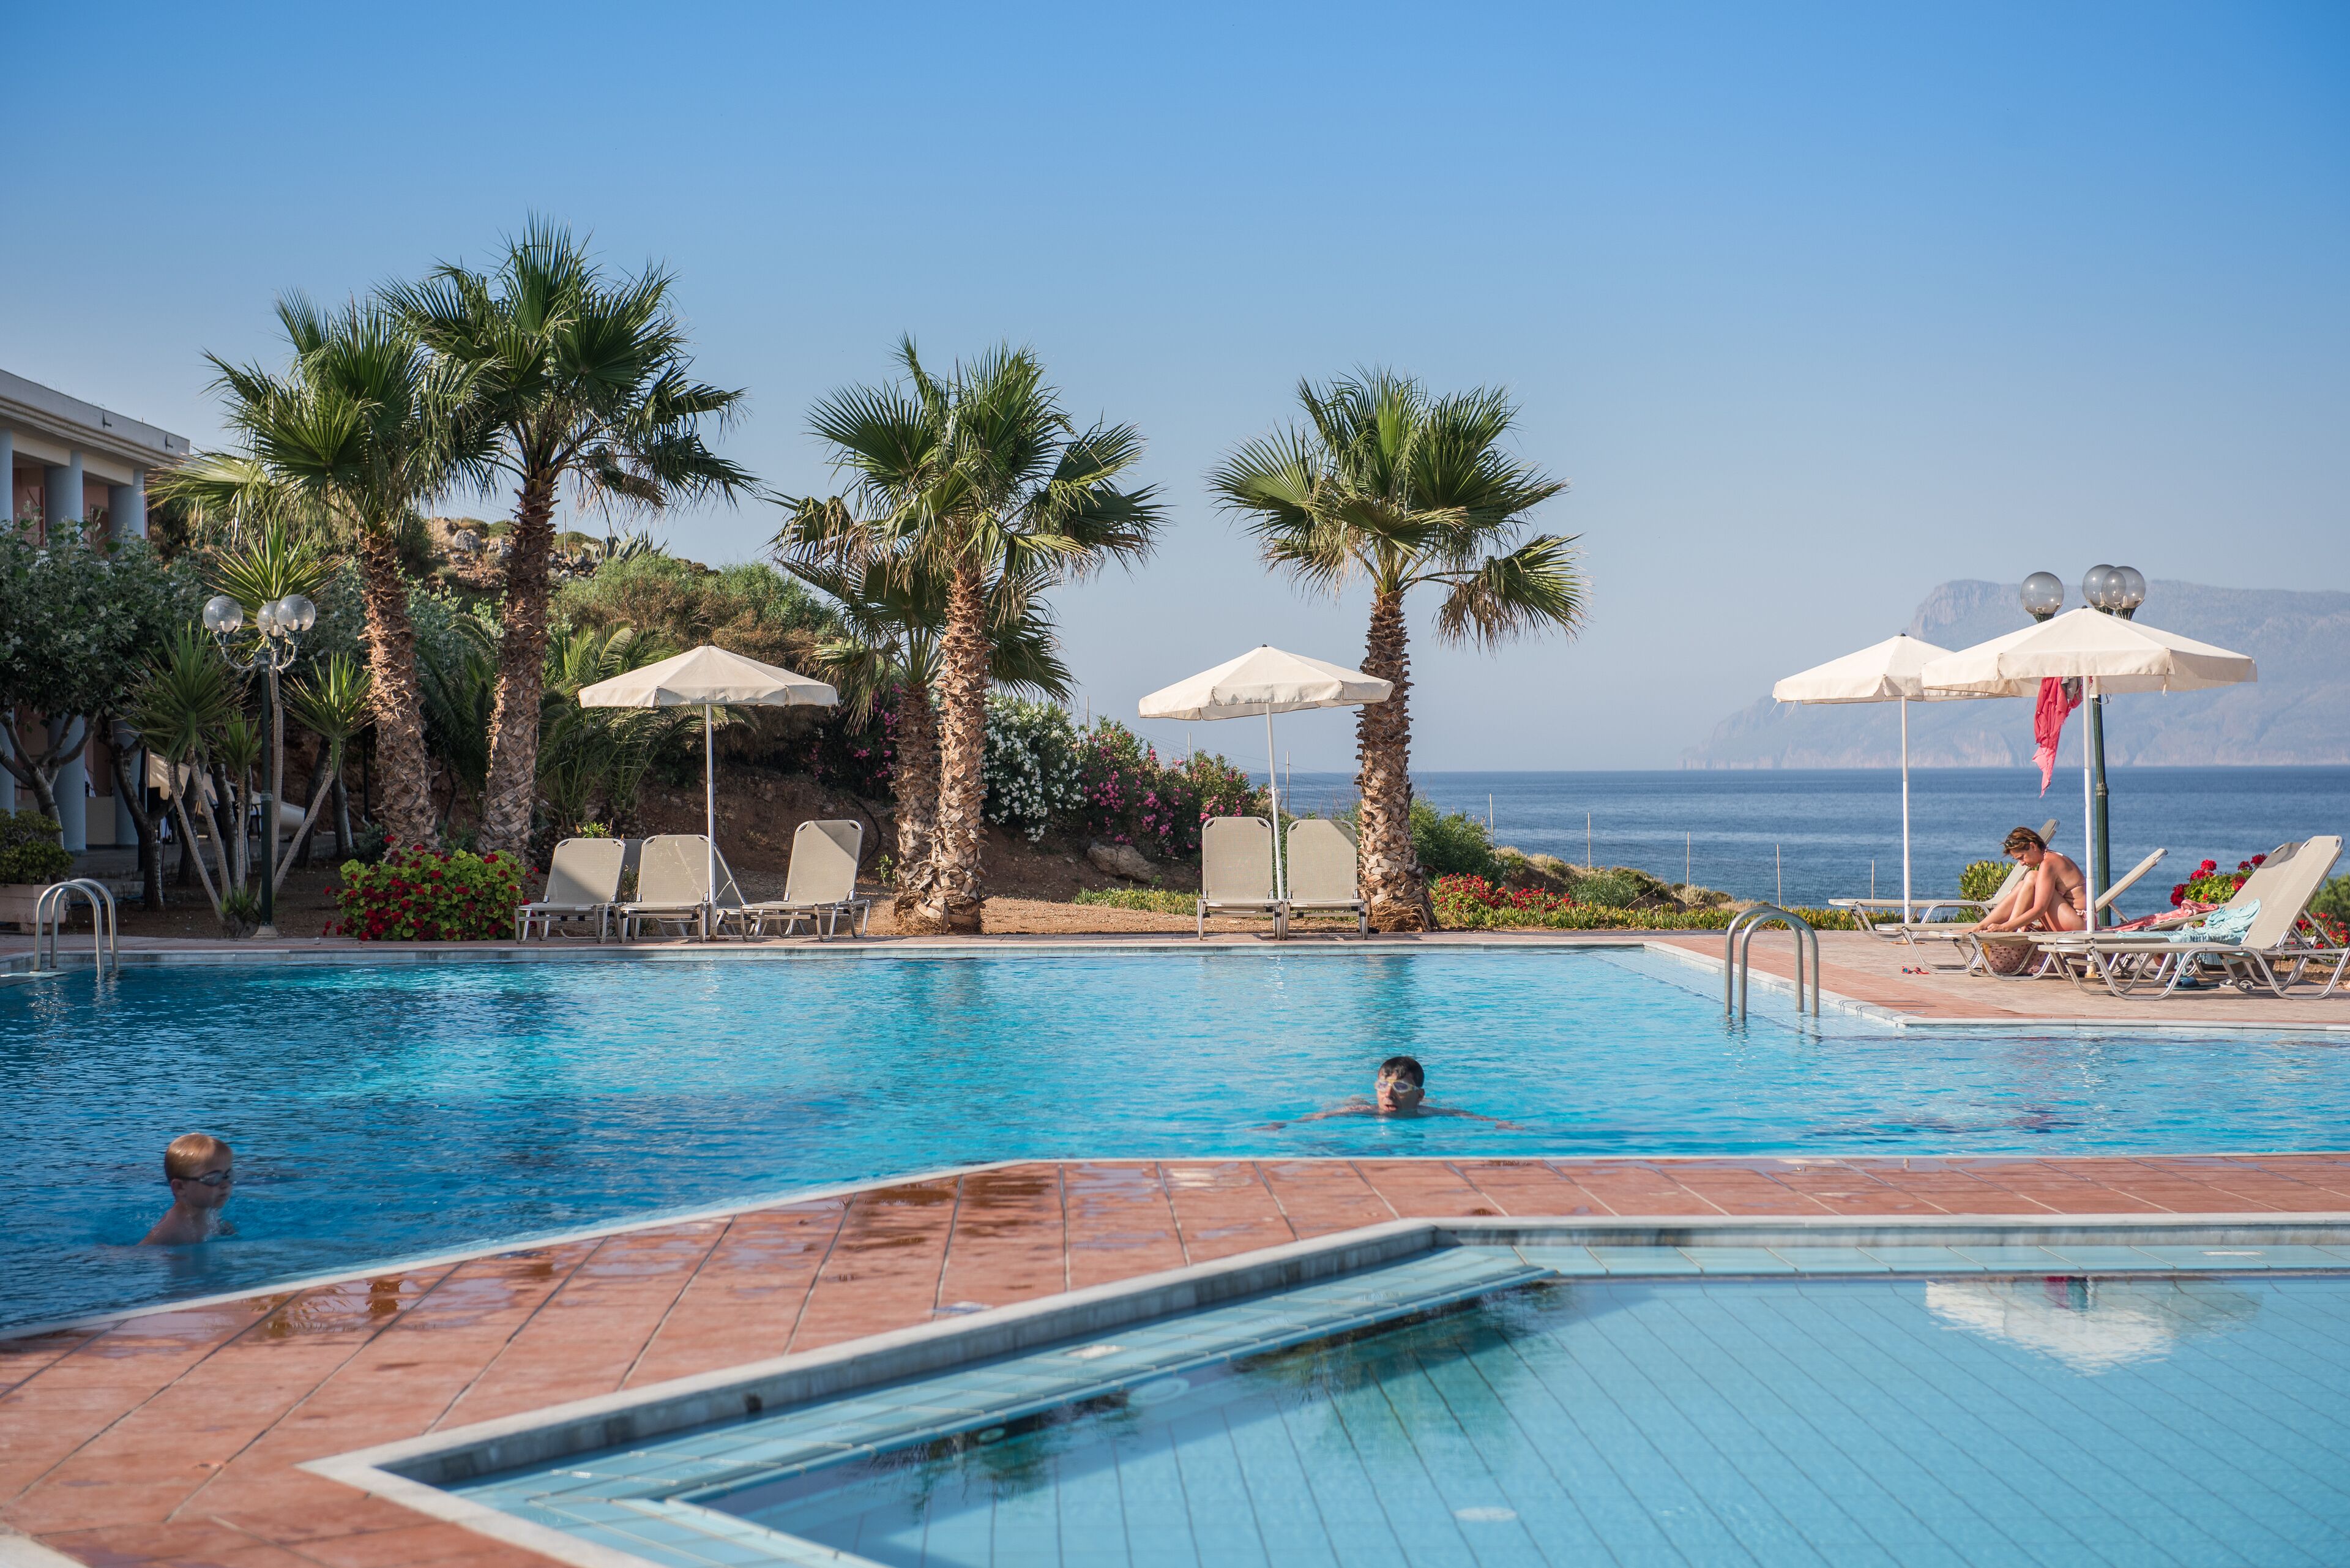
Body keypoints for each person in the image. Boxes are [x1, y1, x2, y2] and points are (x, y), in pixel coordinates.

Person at [1267, 1056, 1520, 1127]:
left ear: (1419, 1096)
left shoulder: (1429, 1113)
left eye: (1399, 1088)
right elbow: (1322, 1116)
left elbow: (1463, 1114)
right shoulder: (1364, 1110)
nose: (1388, 1095)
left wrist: (1499, 1123)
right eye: (1382, 1087)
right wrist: (1284, 1124)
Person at [1974, 826, 2086, 933]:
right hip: (2072, 920)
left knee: (2033, 877)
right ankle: (1981, 926)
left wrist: (2005, 927)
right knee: (2023, 884)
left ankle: (2008, 929)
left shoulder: (2049, 863)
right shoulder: (2050, 858)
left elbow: (2040, 910)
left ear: (2033, 847)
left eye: (2022, 858)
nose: (2022, 863)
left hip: (2079, 924)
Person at [141, 1133, 234, 1245]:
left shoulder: (209, 1211)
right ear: (180, 1187)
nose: (225, 1184)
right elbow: (136, 1255)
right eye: (214, 1178)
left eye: (229, 1176)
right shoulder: (172, 1229)